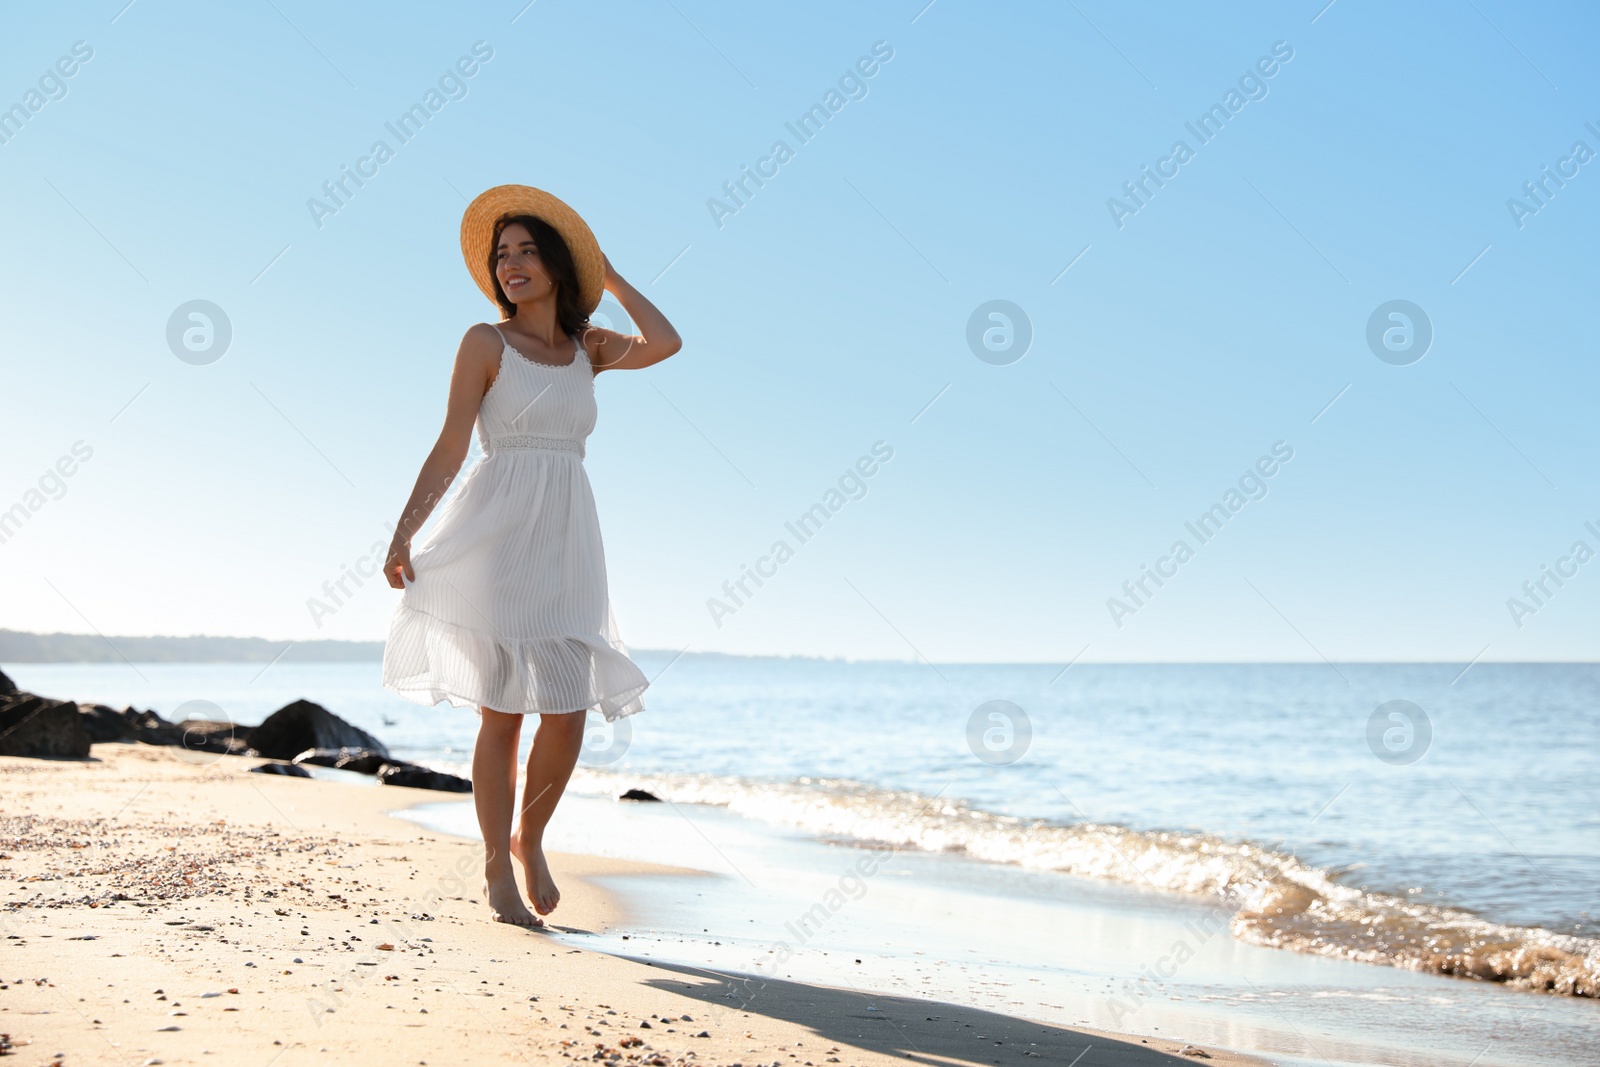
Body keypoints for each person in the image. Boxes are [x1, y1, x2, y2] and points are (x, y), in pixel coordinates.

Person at [381, 185, 680, 926]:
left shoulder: (588, 349)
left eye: (526, 251)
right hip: (497, 534)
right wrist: (404, 529)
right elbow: (452, 441)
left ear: (557, 265)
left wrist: (608, 275)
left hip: (570, 535)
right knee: (504, 711)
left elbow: (667, 341)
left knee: (570, 711)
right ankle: (495, 867)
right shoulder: (485, 343)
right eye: (501, 254)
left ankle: (530, 836)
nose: (511, 264)